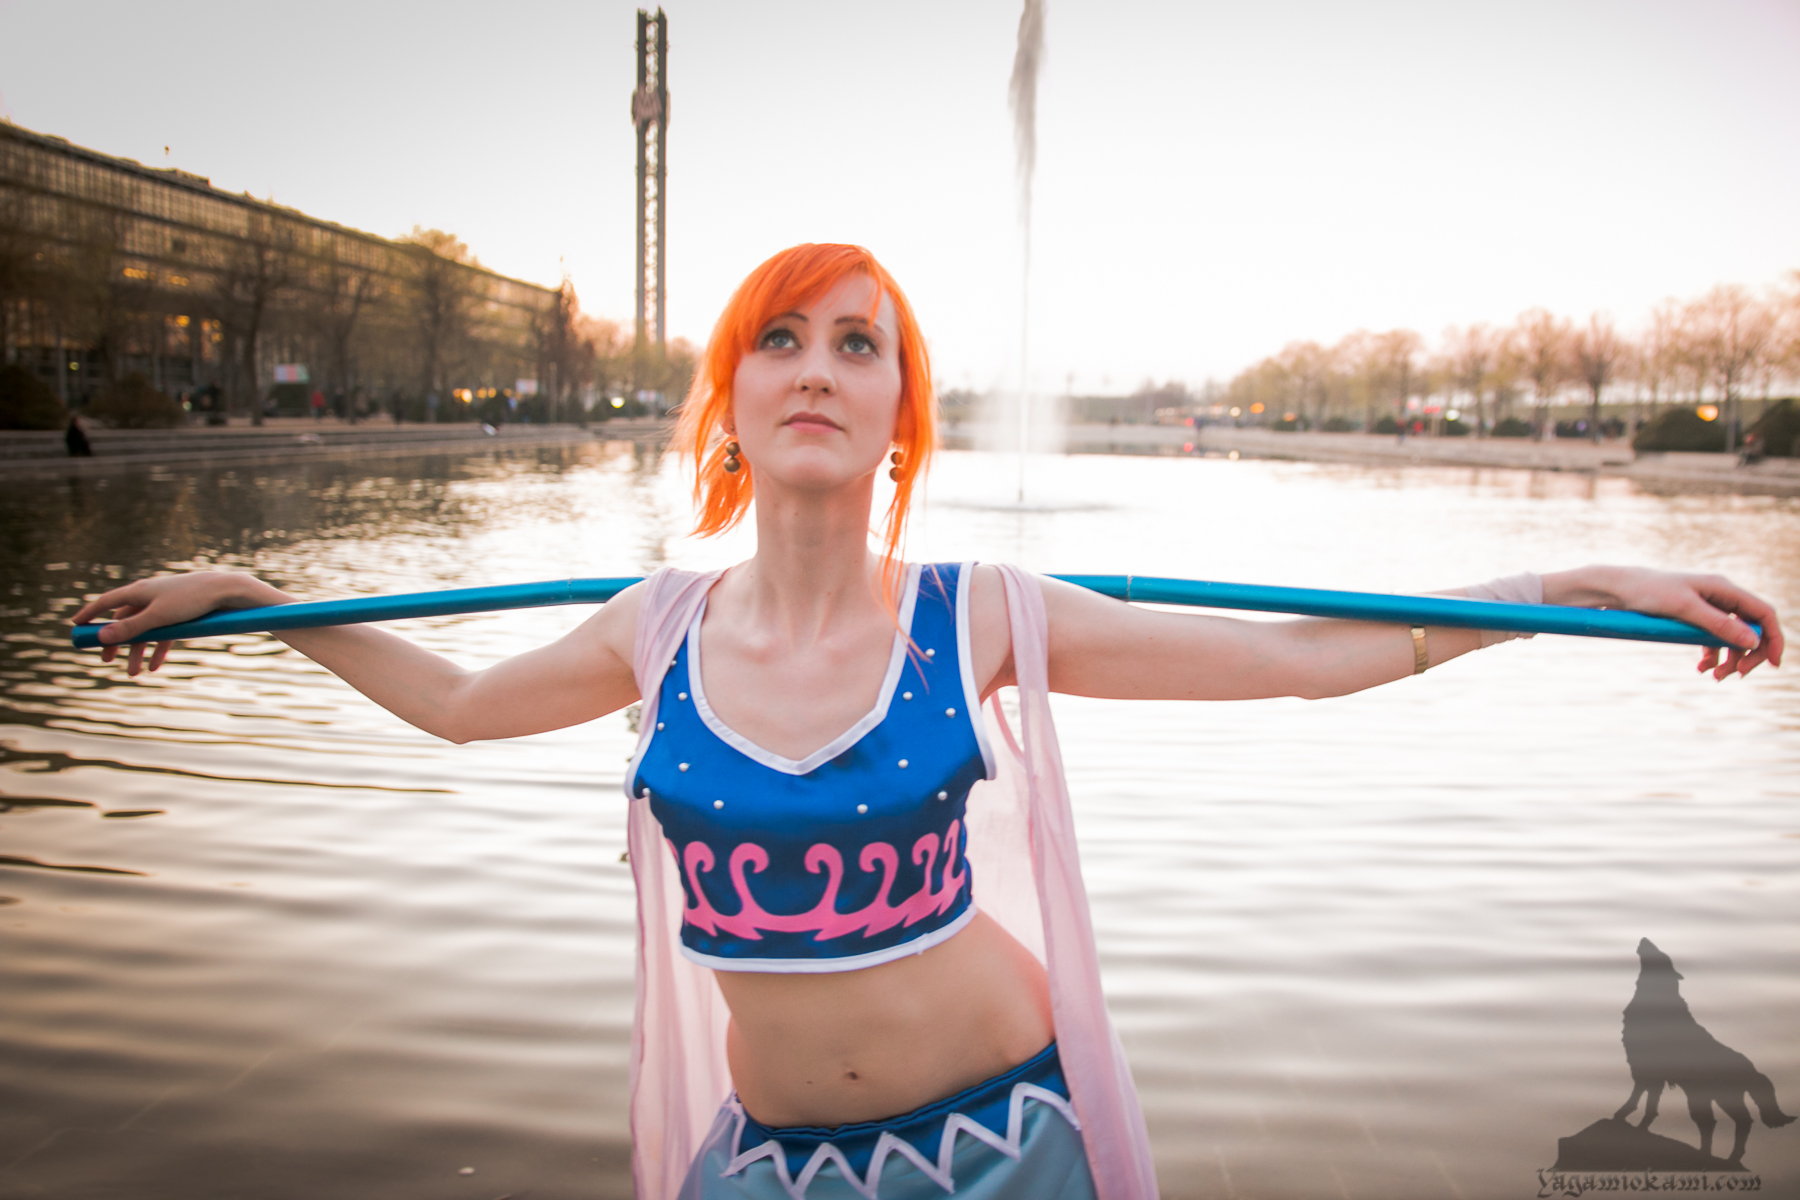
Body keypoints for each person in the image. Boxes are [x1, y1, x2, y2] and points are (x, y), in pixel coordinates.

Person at [72, 244, 1783, 1200]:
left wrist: (1574, 581)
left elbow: (1293, 659)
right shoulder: (654, 629)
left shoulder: (978, 615)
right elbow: (453, 705)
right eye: (780, 340)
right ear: (733, 398)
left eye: (858, 345)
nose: (817, 365)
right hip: (766, 1170)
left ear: (900, 413)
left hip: (1005, 1152)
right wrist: (252, 597)